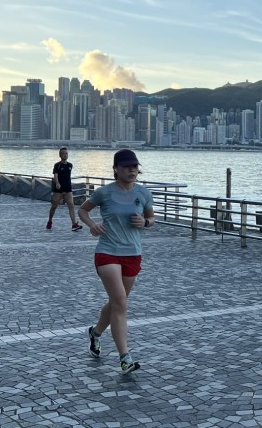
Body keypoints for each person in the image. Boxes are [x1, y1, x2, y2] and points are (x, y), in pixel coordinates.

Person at [78, 148, 155, 375]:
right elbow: (83, 210)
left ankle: (96, 332)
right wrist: (92, 225)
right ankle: (125, 358)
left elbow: (151, 218)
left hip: (133, 253)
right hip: (107, 252)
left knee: (116, 303)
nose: (132, 170)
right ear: (116, 169)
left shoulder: (143, 193)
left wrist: (146, 223)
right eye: (126, 166)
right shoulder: (104, 193)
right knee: (121, 302)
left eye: (135, 167)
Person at [47, 147, 81, 231]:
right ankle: (50, 220)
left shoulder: (70, 165)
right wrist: (57, 183)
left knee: (71, 206)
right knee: (54, 206)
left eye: (66, 153)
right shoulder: (57, 165)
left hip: (68, 189)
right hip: (58, 190)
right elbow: (55, 175)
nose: (65, 155)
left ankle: (74, 224)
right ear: (60, 155)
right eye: (63, 153)